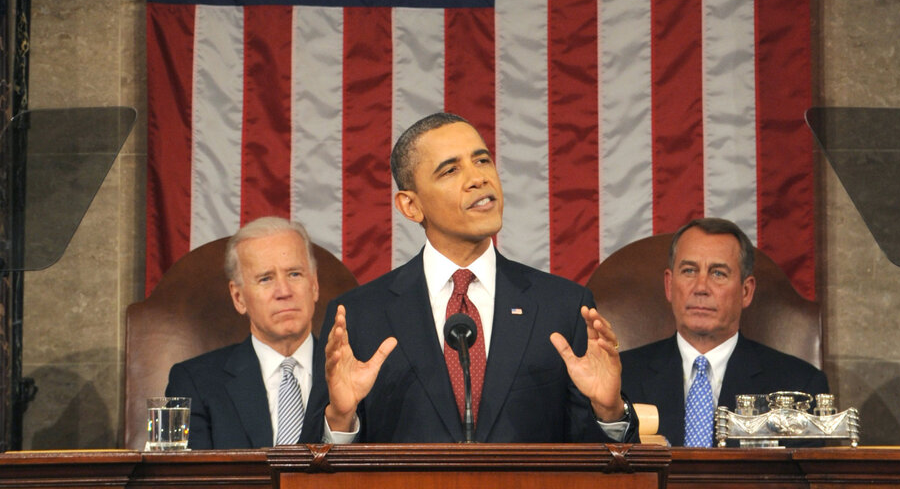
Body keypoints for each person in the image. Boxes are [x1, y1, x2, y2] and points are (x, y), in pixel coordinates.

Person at [303, 112, 639, 443]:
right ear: (410, 206)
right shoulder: (360, 317)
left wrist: (608, 411)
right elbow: (311, 478)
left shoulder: (563, 308)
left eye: (482, 161)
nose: (478, 178)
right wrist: (342, 420)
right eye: (451, 170)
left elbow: (602, 475)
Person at [619, 217, 829, 447]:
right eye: (689, 271)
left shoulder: (800, 385)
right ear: (669, 286)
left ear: (746, 291)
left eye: (718, 273)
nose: (700, 287)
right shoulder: (621, 378)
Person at [165, 217, 323, 448]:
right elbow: (187, 480)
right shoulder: (194, 383)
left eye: (294, 274)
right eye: (266, 279)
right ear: (238, 298)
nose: (284, 291)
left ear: (314, 285)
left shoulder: (351, 373)